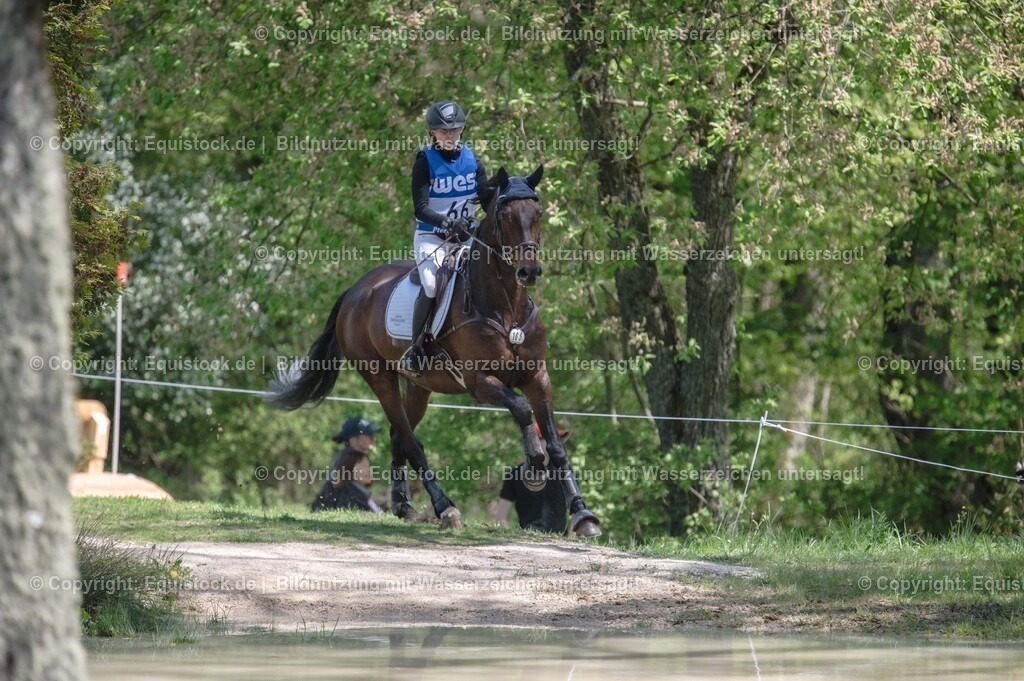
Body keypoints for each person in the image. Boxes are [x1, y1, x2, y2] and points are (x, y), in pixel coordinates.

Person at [399, 100, 495, 376]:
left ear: (462, 130)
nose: (450, 136)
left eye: (455, 130)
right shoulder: (424, 162)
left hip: (466, 238)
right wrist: (446, 222)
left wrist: (506, 191)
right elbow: (420, 207)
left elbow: (486, 199)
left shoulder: (472, 160)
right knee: (430, 284)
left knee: (497, 270)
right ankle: (416, 349)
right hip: (433, 238)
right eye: (444, 131)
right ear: (432, 133)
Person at [494, 426, 571, 534]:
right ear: (534, 442)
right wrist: (514, 540)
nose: (556, 443)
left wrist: (570, 541)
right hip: (527, 542)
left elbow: (575, 512)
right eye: (550, 439)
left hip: (560, 543)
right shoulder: (514, 474)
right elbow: (500, 517)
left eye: (557, 439)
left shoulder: (565, 472)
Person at [311, 415, 383, 513]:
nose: (373, 438)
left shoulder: (344, 456)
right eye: (368, 434)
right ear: (353, 439)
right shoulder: (350, 458)